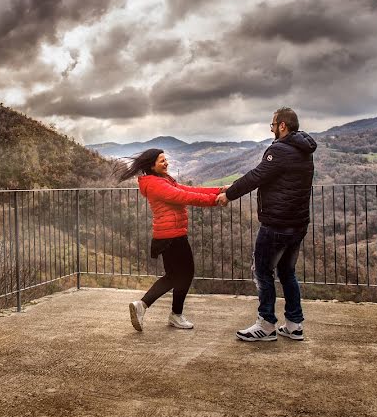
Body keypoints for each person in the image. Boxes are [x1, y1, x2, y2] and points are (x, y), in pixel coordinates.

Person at [217, 107, 317, 342]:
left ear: (282, 125)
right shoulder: (304, 150)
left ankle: (266, 324)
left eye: (273, 125)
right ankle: (294, 325)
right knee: (287, 272)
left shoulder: (280, 150)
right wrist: (231, 186)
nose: (271, 129)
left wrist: (229, 194)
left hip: (277, 224)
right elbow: (271, 176)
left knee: (262, 271)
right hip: (298, 224)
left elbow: (256, 176)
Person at [117, 148, 222, 331]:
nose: (166, 163)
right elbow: (185, 196)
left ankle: (145, 306)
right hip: (172, 236)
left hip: (168, 235)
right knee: (185, 274)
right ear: (152, 165)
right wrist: (216, 200)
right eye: (161, 161)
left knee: (174, 276)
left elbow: (188, 189)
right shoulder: (157, 184)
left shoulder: (161, 181)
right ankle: (174, 314)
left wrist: (220, 190)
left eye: (166, 160)